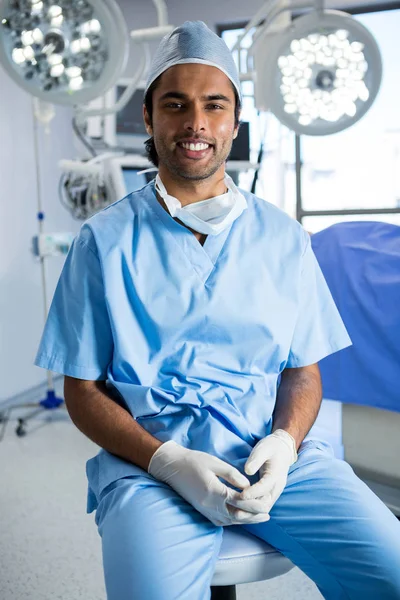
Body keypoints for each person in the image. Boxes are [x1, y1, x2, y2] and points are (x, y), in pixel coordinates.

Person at [35, 21, 400, 600]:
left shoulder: (283, 237)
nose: (196, 122)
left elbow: (302, 370)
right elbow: (81, 389)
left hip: (277, 460)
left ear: (234, 122)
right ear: (149, 119)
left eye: (215, 105)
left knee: (391, 570)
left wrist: (283, 446)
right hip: (150, 464)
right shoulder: (103, 241)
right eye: (175, 104)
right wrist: (170, 461)